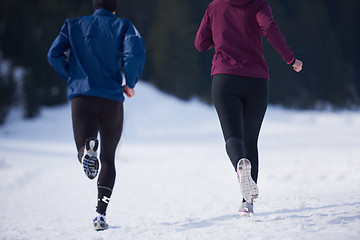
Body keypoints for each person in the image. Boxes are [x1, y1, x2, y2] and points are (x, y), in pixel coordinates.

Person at [194, 0, 303, 216]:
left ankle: (239, 165)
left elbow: (200, 43)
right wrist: (290, 59)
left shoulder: (215, 6)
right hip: (256, 80)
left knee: (233, 137)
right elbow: (269, 28)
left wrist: (219, 39)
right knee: (251, 140)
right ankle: (247, 203)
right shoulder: (258, 4)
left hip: (224, 78)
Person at [47, 0, 145, 230]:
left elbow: (53, 54)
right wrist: (130, 82)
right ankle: (100, 214)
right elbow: (136, 52)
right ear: (115, 6)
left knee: (84, 147)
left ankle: (86, 149)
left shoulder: (73, 25)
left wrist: (70, 74)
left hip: (82, 96)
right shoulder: (124, 26)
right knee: (109, 158)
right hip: (111, 99)